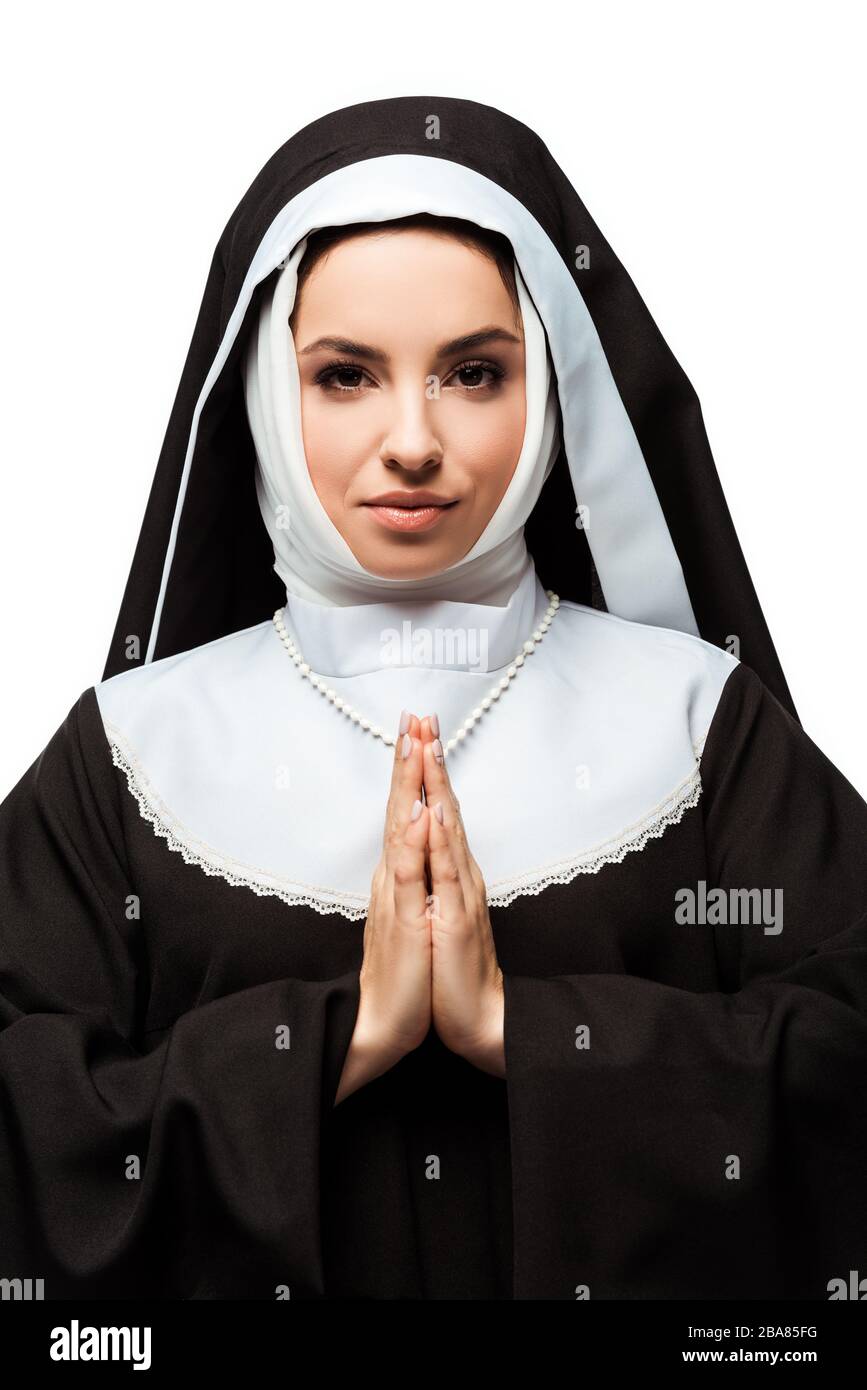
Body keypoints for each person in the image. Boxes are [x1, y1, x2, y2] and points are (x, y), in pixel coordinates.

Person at [1, 95, 866, 1302]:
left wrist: (527, 1031)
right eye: (346, 374)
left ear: (552, 387)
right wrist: (332, 1042)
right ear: (263, 389)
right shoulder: (129, 754)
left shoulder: (701, 727)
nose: (413, 441)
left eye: (472, 372)